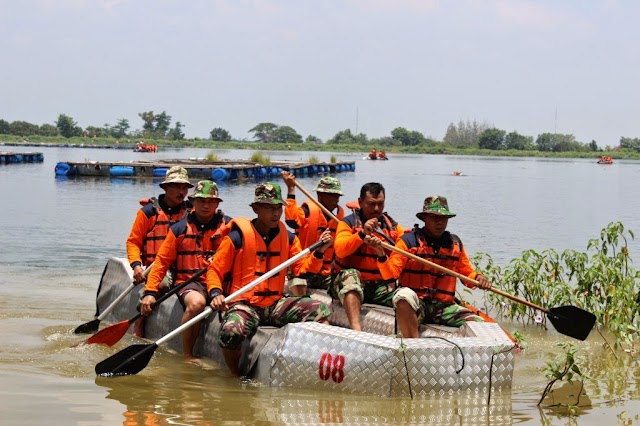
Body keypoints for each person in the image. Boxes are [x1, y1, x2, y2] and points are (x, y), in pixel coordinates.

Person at [207, 182, 333, 376]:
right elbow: (215, 270)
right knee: (231, 332)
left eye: (278, 208)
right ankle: (234, 375)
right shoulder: (236, 238)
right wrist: (215, 293)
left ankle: (321, 362)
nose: (276, 214)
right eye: (269, 208)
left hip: (275, 304)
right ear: (256, 209)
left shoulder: (289, 238)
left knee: (320, 309)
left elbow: (303, 271)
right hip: (245, 305)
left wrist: (319, 253)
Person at [141, 180, 232, 363]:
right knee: (197, 303)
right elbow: (161, 262)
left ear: (217, 204)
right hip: (190, 282)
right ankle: (188, 355)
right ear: (193, 203)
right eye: (201, 201)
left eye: (211, 202)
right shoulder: (179, 229)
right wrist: (150, 293)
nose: (206, 205)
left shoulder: (230, 227)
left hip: (220, 282)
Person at [376, 196, 492, 338]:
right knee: (403, 296)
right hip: (418, 305)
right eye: (434, 218)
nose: (440, 222)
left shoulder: (455, 244)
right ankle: (412, 344)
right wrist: (381, 256)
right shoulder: (408, 242)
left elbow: (468, 274)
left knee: (479, 324)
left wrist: (479, 278)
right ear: (425, 218)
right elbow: (391, 275)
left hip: (444, 308)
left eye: (443, 218)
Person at [126, 165, 193, 337]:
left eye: (184, 187)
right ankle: (139, 323)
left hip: (185, 267)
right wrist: (136, 266)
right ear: (166, 187)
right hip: (156, 267)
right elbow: (133, 242)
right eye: (176, 186)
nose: (181, 191)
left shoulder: (192, 211)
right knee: (161, 284)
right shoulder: (149, 212)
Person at [332, 182, 405, 331]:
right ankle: (356, 329)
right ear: (360, 202)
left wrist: (381, 253)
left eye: (380, 204)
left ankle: (406, 335)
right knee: (351, 276)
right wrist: (361, 234)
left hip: (379, 287)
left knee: (405, 294)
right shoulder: (347, 223)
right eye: (371, 204)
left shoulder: (394, 228)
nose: (376, 209)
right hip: (350, 283)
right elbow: (340, 250)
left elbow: (400, 262)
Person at [281, 172, 345, 295]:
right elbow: (291, 220)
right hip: (303, 270)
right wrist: (291, 189)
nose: (336, 200)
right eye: (332, 196)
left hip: (325, 273)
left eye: (338, 196)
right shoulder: (307, 211)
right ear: (320, 195)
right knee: (298, 282)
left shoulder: (340, 218)